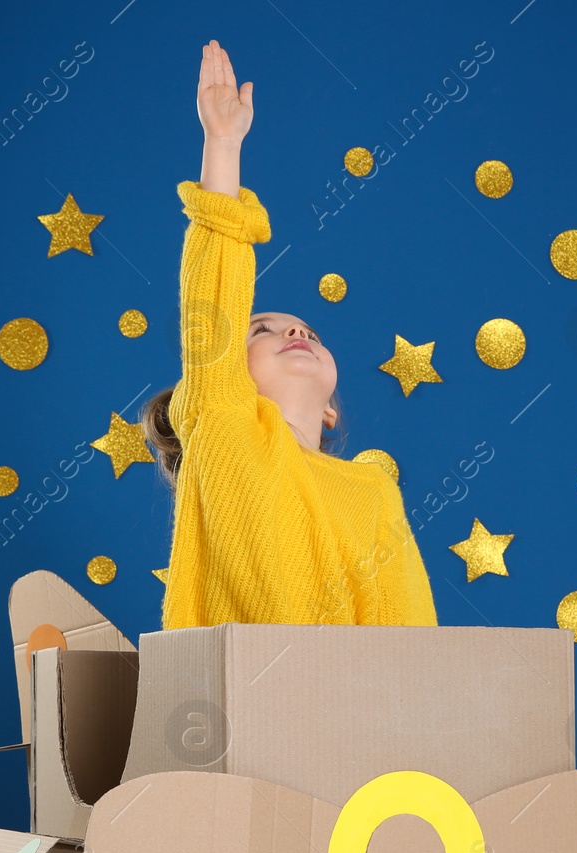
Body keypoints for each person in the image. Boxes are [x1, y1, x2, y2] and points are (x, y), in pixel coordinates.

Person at [141, 39, 439, 630]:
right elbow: (214, 300)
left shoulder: (372, 492)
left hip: (347, 715)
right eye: (262, 329)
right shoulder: (223, 429)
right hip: (236, 713)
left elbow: (411, 639)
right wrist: (222, 145)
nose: (293, 329)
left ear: (332, 410)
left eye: (305, 329)